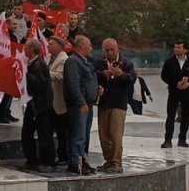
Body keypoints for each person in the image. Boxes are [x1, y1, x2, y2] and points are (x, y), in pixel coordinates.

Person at [94, 38, 135, 173]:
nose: (110, 52)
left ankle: (117, 162)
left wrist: (121, 74)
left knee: (116, 135)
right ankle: (108, 160)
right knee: (104, 135)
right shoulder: (99, 63)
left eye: (112, 50)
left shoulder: (126, 63)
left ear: (117, 49)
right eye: (107, 50)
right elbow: (93, 76)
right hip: (104, 102)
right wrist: (102, 75)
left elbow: (132, 79)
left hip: (119, 103)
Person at [64, 35, 98, 175]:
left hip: (88, 104)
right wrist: (81, 102)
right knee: (78, 135)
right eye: (89, 45)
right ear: (81, 46)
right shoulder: (73, 62)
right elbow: (73, 84)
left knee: (83, 135)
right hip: (79, 106)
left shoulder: (84, 62)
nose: (91, 48)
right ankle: (75, 163)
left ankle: (82, 160)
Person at [21, 39, 57, 172]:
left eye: (26, 47)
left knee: (44, 134)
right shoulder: (31, 64)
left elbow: (41, 85)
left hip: (41, 106)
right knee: (27, 133)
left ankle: (48, 162)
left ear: (32, 49)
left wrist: (26, 75)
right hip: (33, 104)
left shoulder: (39, 65)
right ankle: (31, 159)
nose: (24, 50)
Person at [161, 41, 189, 148]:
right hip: (174, 92)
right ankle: (167, 140)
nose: (176, 49)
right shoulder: (169, 62)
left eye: (179, 47)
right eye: (175, 47)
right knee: (171, 115)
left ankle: (182, 139)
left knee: (186, 116)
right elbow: (164, 76)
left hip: (186, 93)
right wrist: (175, 83)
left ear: (185, 50)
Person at [48, 36, 71, 166]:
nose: (48, 46)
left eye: (51, 44)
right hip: (50, 101)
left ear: (59, 46)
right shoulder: (49, 58)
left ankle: (64, 156)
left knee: (62, 131)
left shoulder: (63, 59)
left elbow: (60, 76)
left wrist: (44, 73)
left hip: (59, 102)